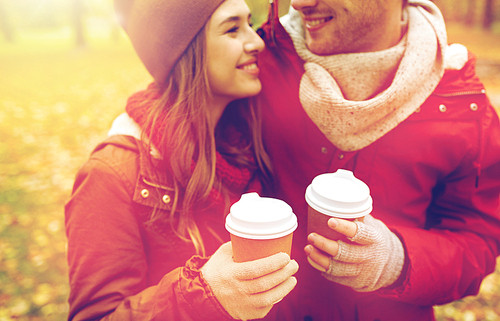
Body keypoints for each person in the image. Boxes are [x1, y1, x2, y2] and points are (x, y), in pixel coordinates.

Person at [256, 0, 500, 320]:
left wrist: (397, 261)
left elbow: (477, 244)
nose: (299, 3)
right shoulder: (254, 63)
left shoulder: (461, 104)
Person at [64, 0, 299, 320]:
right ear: (185, 51)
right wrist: (204, 296)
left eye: (249, 22)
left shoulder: (249, 143)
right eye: (232, 29)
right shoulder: (111, 175)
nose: (256, 41)